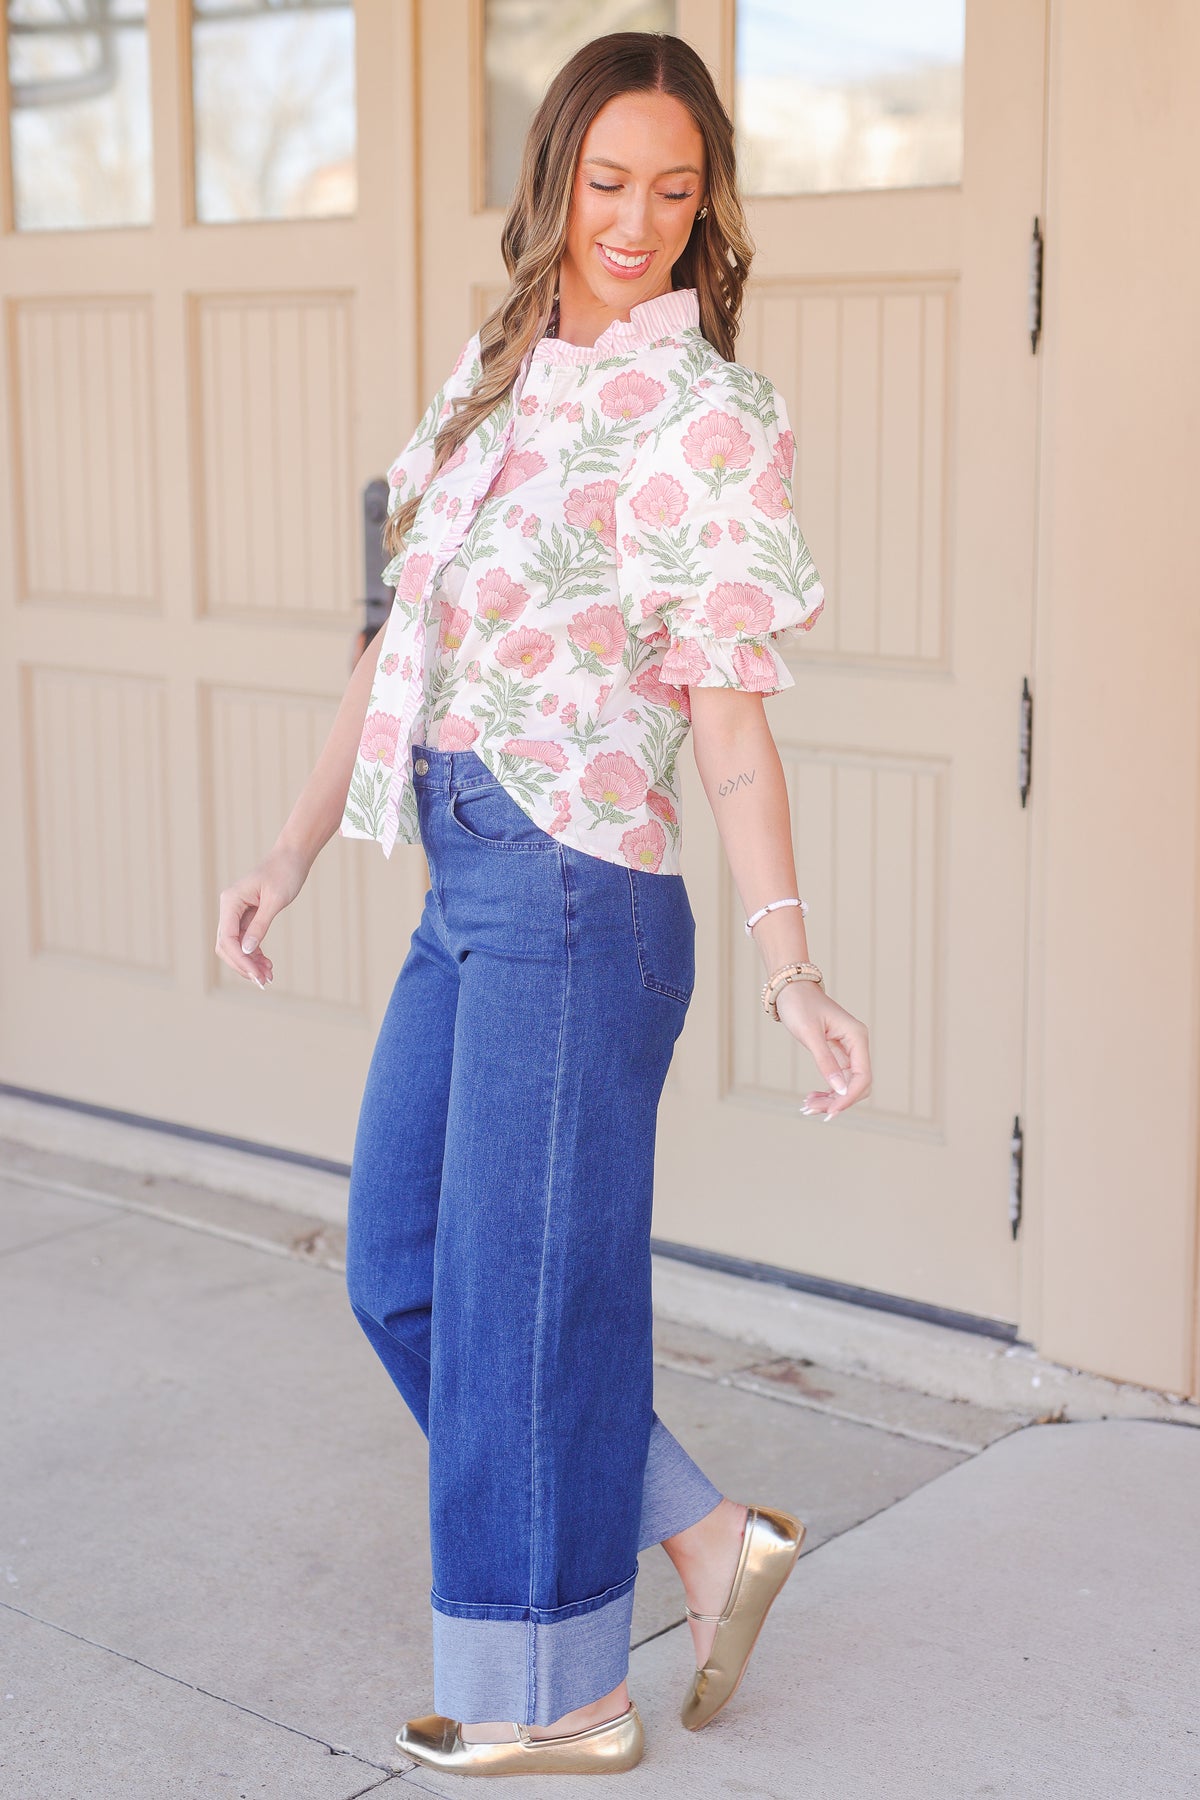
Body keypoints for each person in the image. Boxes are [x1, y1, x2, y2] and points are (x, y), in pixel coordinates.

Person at [215, 29, 871, 1779]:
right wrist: (286, 849)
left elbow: (727, 719)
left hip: (583, 890)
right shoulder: (495, 369)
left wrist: (790, 960)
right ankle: (700, 1538)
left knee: (524, 1299)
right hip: (467, 870)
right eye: (608, 184)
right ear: (556, 179)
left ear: (706, 199)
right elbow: (395, 633)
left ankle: (555, 1696)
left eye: (675, 190)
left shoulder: (711, 419)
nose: (638, 221)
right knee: (407, 1273)